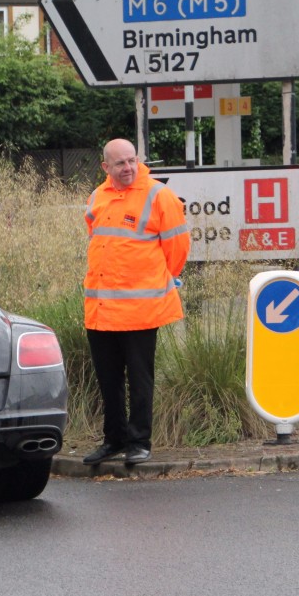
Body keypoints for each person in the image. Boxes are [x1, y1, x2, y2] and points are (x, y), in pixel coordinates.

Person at [81, 140, 190, 466]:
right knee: (108, 380)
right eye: (119, 164)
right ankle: (114, 440)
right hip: (100, 310)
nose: (127, 168)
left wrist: (155, 280)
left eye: (132, 161)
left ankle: (139, 442)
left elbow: (177, 250)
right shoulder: (98, 196)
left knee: (140, 381)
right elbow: (98, 241)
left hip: (141, 310)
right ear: (106, 168)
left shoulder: (159, 196)